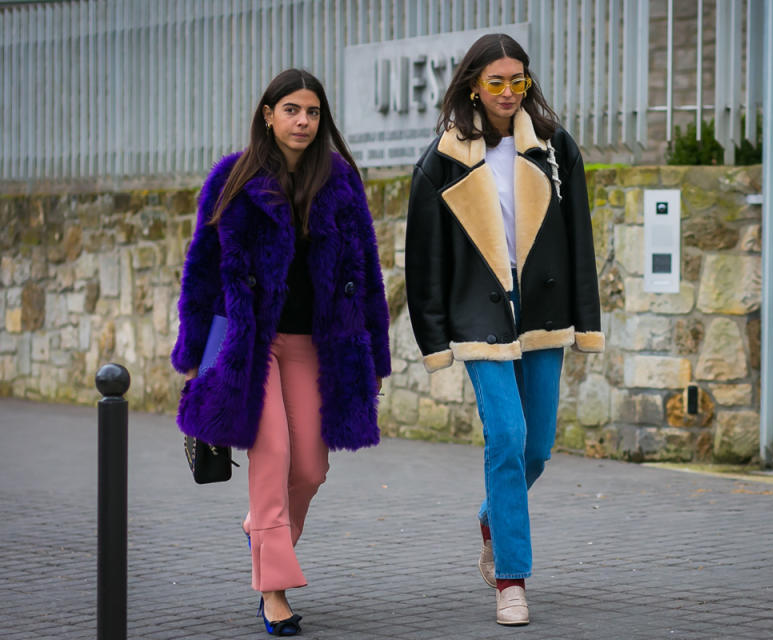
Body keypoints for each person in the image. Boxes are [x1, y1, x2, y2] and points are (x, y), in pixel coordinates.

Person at [171, 68, 391, 637]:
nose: (302, 121)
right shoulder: (233, 178)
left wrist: (376, 361)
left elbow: (367, 272)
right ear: (267, 114)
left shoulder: (340, 181)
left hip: (317, 344)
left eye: (312, 112)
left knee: (311, 469)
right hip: (251, 344)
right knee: (271, 457)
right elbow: (201, 273)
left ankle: (262, 531)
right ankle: (274, 594)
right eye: (291, 109)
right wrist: (196, 358)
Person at [404, 34, 604, 626]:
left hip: (542, 312)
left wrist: (586, 324)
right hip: (479, 315)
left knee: (536, 447)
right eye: (496, 82)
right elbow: (426, 262)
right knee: (507, 438)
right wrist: (435, 340)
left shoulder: (554, 149)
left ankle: (494, 515)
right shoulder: (439, 162)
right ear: (472, 84)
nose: (510, 92)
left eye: (520, 81)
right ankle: (512, 580)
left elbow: (579, 244)